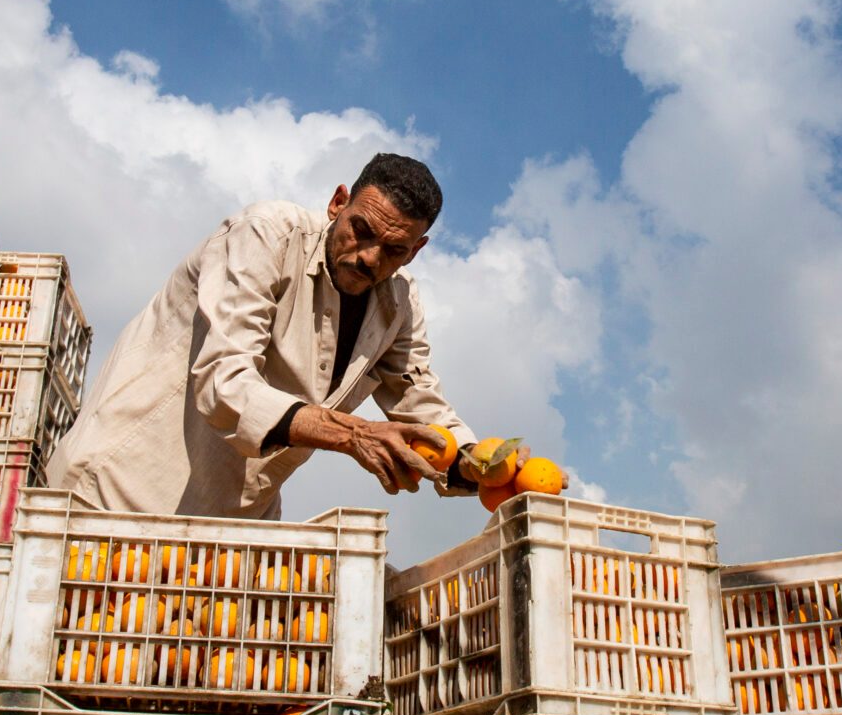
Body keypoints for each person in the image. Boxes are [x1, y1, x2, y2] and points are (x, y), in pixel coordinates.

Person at [47, 153, 519, 519]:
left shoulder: (397, 303)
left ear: (416, 251)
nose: (370, 258)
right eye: (361, 230)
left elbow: (419, 400)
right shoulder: (265, 236)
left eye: (394, 249)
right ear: (338, 204)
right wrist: (355, 433)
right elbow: (224, 383)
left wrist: (478, 464)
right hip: (117, 491)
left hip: (235, 522)